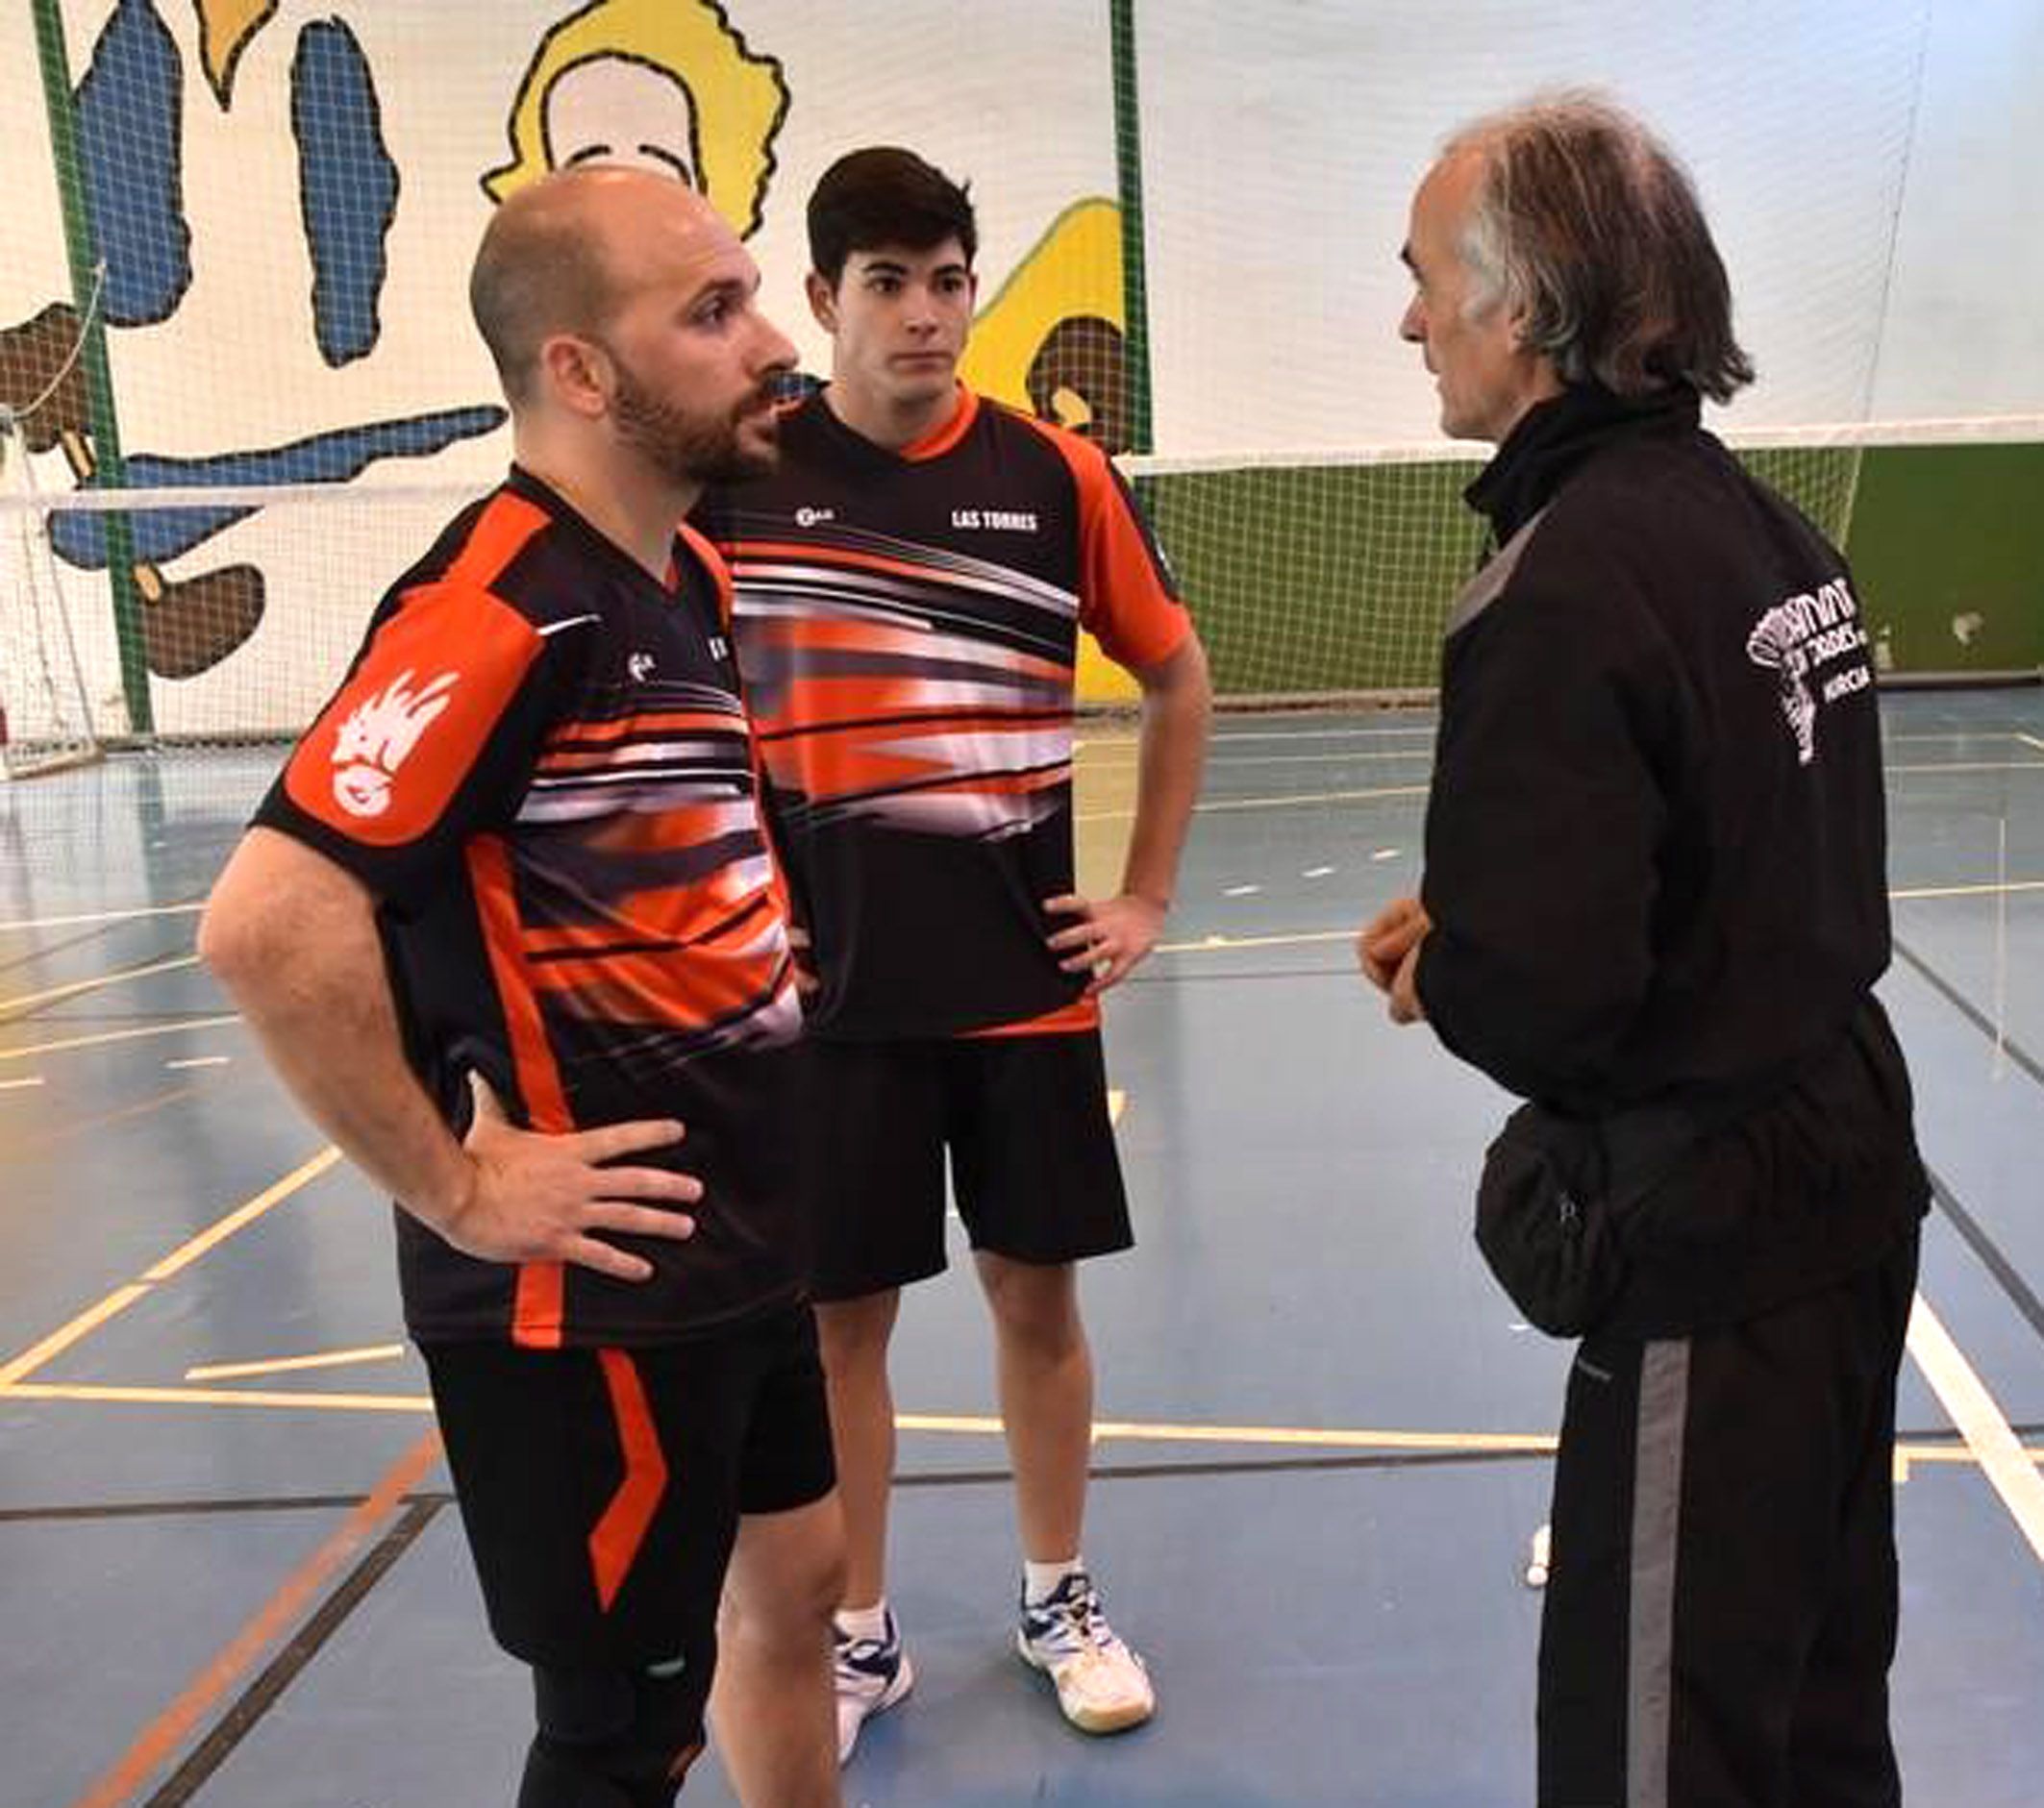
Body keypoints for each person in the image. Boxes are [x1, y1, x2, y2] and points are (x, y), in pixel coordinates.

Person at [199, 166, 845, 1808]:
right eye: (710, 312)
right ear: (579, 370)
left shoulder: (681, 577)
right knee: (622, 1735)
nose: (769, 339)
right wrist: (460, 1185)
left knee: (798, 1585)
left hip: (738, 1250)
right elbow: (270, 923)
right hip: (588, 1301)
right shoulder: (495, 606)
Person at [1359, 96, 1927, 1808]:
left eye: (1421, 282)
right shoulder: (1758, 527)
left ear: (1524, 312)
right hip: (1844, 1172)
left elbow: (1553, 997)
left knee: (1661, 1747)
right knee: (1817, 1704)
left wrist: (1448, 965)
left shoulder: (1562, 580)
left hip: (1714, 1236)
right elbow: (1742, 857)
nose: (1408, 324)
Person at [694, 146, 1210, 1760]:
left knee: (1031, 1296)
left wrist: (1142, 896)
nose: (925, 315)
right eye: (888, 283)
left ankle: (1057, 1594)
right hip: (824, 999)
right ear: (824, 296)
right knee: (840, 1323)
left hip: (1018, 987)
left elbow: (1176, 678)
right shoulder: (745, 478)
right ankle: (859, 1636)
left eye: (948, 278)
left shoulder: (1056, 477)